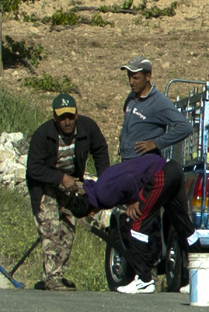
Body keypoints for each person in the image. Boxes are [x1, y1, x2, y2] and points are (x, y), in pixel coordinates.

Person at [68, 153, 196, 294]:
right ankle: (197, 280)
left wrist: (134, 200)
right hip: (173, 168)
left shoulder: (102, 195)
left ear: (89, 213)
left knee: (137, 227)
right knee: (184, 226)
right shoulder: (99, 185)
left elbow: (128, 181)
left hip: (161, 174)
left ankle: (144, 280)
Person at [24, 93, 110, 291]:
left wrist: (105, 180)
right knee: (51, 229)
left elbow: (100, 150)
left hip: (70, 187)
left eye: (71, 116)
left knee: (68, 230)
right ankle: (51, 278)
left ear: (77, 115)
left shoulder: (88, 128)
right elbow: (33, 169)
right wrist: (60, 178)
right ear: (55, 117)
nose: (67, 121)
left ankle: (58, 274)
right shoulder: (42, 135)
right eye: (62, 117)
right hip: (45, 185)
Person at [118, 56, 193, 160]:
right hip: (126, 160)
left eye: (135, 78)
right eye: (129, 77)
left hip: (144, 161)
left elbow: (185, 127)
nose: (131, 82)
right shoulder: (130, 98)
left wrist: (155, 143)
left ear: (148, 76)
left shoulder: (158, 102)